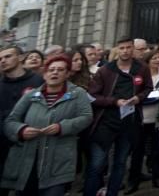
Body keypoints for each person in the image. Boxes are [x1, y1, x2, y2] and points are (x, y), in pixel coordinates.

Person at [2, 54, 93, 196]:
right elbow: (10, 121)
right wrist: (21, 130)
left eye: (60, 70)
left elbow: (86, 117)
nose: (55, 72)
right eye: (51, 70)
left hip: (58, 160)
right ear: (44, 74)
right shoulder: (31, 95)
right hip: (28, 159)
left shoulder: (78, 93)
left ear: (67, 74)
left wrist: (62, 127)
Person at [85, 37, 152, 196]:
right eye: (122, 48)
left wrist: (139, 98)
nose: (125, 51)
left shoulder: (142, 68)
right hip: (106, 123)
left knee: (120, 163)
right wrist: (114, 102)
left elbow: (148, 88)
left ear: (133, 49)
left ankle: (113, 192)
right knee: (97, 164)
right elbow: (92, 96)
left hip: (129, 123)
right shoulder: (106, 70)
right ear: (117, 49)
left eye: (129, 47)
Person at [1, 45, 45, 196]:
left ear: (20, 58)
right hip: (2, 143)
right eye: (0, 58)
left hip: (29, 143)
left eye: (7, 56)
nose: (3, 61)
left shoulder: (37, 81)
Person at [129, 50, 159, 192]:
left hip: (157, 116)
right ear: (147, 60)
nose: (157, 60)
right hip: (141, 116)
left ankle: (157, 177)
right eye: (154, 58)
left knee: (157, 150)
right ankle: (133, 180)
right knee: (138, 149)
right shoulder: (141, 73)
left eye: (158, 57)